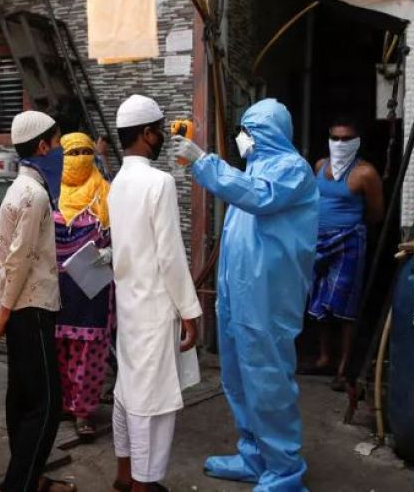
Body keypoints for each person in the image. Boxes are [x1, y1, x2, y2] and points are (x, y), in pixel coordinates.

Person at [174, 98, 318, 491]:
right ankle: (255, 457)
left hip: (268, 302)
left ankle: (285, 471)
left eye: (247, 131)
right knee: (238, 379)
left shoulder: (292, 171)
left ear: (266, 132)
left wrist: (204, 162)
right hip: (239, 298)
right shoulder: (253, 170)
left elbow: (258, 196)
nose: (242, 138)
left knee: (268, 382)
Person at [108, 95, 202, 492]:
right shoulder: (158, 182)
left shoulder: (117, 182)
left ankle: (124, 474)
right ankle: (142, 486)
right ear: (146, 134)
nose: (163, 137)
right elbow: (170, 255)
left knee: (127, 392)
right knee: (153, 404)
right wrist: (190, 311)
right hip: (153, 308)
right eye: (160, 131)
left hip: (129, 305)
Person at [0, 111, 76, 492]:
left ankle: (30, 479)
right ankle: (20, 483)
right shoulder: (35, 194)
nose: (60, 152)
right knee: (47, 405)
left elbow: (7, 256)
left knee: (21, 399)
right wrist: (3, 311)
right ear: (42, 146)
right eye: (57, 143)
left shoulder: (17, 189)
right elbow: (18, 258)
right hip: (31, 309)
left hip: (21, 305)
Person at [305, 117, 383, 391]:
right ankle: (325, 357)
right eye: (335, 138)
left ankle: (343, 367)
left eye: (346, 139)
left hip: (349, 242)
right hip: (317, 242)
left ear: (357, 142)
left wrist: (348, 227)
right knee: (320, 300)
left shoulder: (365, 173)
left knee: (344, 305)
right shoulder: (319, 166)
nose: (339, 144)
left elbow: (375, 213)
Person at [54, 132, 112, 440]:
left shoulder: (106, 193)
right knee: (60, 351)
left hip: (92, 290)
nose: (77, 159)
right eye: (70, 153)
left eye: (83, 152)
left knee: (89, 354)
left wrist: (111, 252)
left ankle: (83, 411)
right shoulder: (49, 192)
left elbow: (122, 234)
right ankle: (65, 403)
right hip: (57, 290)